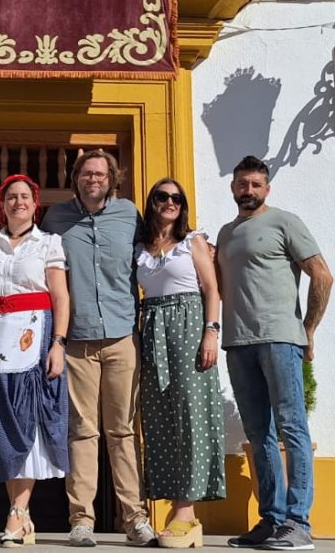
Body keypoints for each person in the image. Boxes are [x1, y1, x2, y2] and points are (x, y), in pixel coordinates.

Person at [215, 156, 333, 551]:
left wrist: (309, 330)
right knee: (258, 434)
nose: (248, 191)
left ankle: (298, 523)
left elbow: (321, 273)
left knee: (291, 427)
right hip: (238, 342)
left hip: (280, 339)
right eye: (242, 184)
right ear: (233, 188)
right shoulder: (227, 233)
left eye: (255, 184)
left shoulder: (285, 222)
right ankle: (272, 520)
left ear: (267, 189)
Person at [41, 149, 157, 548]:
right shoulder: (55, 218)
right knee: (82, 431)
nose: (94, 179)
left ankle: (134, 518)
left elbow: (152, 256)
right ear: (76, 177)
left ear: (112, 178)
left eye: (101, 173)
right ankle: (82, 520)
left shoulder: (129, 214)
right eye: (87, 173)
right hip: (76, 341)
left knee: (123, 430)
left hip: (123, 335)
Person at [0, 174, 71, 548]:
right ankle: (20, 516)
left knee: (28, 424)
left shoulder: (48, 244)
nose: (18, 202)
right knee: (3, 428)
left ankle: (19, 512)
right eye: (11, 196)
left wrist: (58, 343)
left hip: (34, 339)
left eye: (25, 196)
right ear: (2, 203)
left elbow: (60, 297)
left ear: (35, 203)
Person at [136, 178, 226, 549]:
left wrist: (211, 332)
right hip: (152, 326)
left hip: (189, 325)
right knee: (158, 417)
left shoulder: (193, 242)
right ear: (152, 202)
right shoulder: (141, 247)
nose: (170, 202)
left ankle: (187, 513)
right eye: (162, 196)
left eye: (176, 198)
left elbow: (211, 289)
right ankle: (175, 506)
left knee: (191, 414)